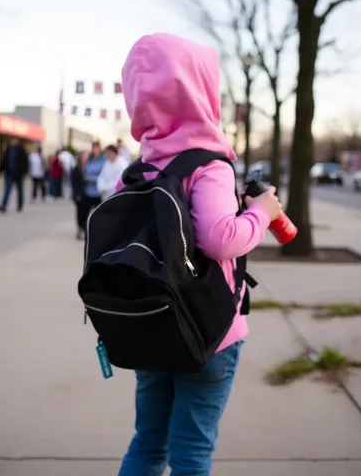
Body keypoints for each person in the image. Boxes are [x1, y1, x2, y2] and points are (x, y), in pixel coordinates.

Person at [117, 33, 281, 476]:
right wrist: (263, 213)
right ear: (202, 90)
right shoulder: (208, 164)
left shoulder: (137, 171)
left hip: (148, 327)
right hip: (209, 333)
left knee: (149, 442)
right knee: (192, 449)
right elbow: (221, 238)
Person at [0, 139, 29, 213]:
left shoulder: (21, 150)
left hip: (19, 174)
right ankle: (3, 205)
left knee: (20, 190)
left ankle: (20, 205)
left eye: (14, 140)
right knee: (7, 190)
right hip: (9, 173)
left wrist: (25, 173)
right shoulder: (8, 150)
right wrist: (0, 171)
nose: (13, 141)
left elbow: (25, 162)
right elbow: (4, 160)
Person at [71, 150, 90, 240]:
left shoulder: (89, 167)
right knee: (80, 212)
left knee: (86, 212)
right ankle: (80, 229)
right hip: (78, 194)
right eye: (83, 156)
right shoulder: (76, 168)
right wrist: (76, 194)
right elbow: (74, 183)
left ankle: (84, 228)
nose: (84, 158)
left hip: (87, 194)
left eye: (86, 156)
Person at [83, 141, 105, 211]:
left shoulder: (104, 160)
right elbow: (85, 172)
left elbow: (103, 176)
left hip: (99, 193)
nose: (95, 150)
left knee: (98, 215)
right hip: (88, 191)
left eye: (97, 148)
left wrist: (90, 178)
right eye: (94, 148)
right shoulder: (90, 159)